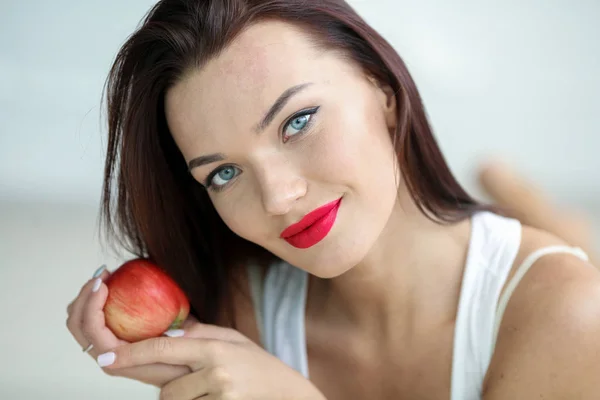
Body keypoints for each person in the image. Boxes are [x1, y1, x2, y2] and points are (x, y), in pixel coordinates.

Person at [65, 1, 599, 399]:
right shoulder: (239, 311)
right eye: (224, 173)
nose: (278, 197)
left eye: (297, 121)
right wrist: (168, 362)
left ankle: (533, 205)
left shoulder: (568, 315)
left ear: (383, 90)